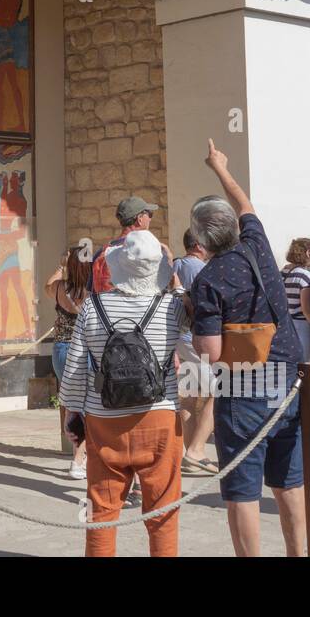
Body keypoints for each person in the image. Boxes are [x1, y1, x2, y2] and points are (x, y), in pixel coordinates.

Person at [191, 140, 307, 557]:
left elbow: (210, 351)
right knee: (288, 481)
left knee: (242, 488)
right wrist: (219, 167)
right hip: (289, 384)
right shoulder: (257, 246)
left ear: (200, 240)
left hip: (243, 389)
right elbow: (245, 202)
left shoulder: (207, 279)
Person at [60, 230, 185, 556]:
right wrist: (175, 280)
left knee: (101, 512)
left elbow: (75, 368)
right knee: (163, 512)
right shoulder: (172, 306)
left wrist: (73, 413)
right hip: (159, 416)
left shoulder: (92, 307)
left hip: (104, 420)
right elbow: (194, 335)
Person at [44, 244, 92, 478]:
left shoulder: (60, 288)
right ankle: (78, 459)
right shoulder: (92, 291)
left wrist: (61, 267)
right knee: (83, 406)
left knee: (71, 403)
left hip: (60, 350)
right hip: (81, 352)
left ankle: (76, 450)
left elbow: (46, 286)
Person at [172, 230, 215, 472]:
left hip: (179, 338)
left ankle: (190, 454)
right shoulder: (201, 269)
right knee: (220, 392)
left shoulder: (175, 264)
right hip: (196, 337)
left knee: (189, 397)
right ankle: (195, 450)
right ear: (199, 245)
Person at [89, 195, 156, 293]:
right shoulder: (145, 251)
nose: (150, 219)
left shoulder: (101, 252)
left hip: (105, 306)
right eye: (149, 214)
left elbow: (90, 292)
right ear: (140, 219)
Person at [282, 238, 310, 364]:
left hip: (285, 323)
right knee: (301, 364)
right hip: (300, 325)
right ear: (309, 253)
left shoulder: (283, 272)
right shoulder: (305, 276)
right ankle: (305, 384)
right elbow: (306, 310)